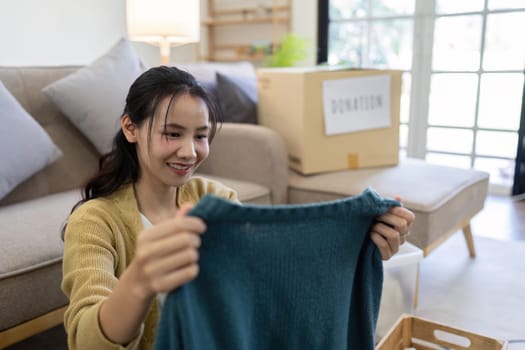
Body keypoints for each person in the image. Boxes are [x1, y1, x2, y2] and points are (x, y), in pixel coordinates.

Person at [61, 66, 415, 350]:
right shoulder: (94, 221)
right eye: (172, 133)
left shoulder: (217, 201)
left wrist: (357, 243)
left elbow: (274, 275)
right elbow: (86, 340)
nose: (190, 151)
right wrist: (140, 280)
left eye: (200, 136)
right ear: (130, 128)